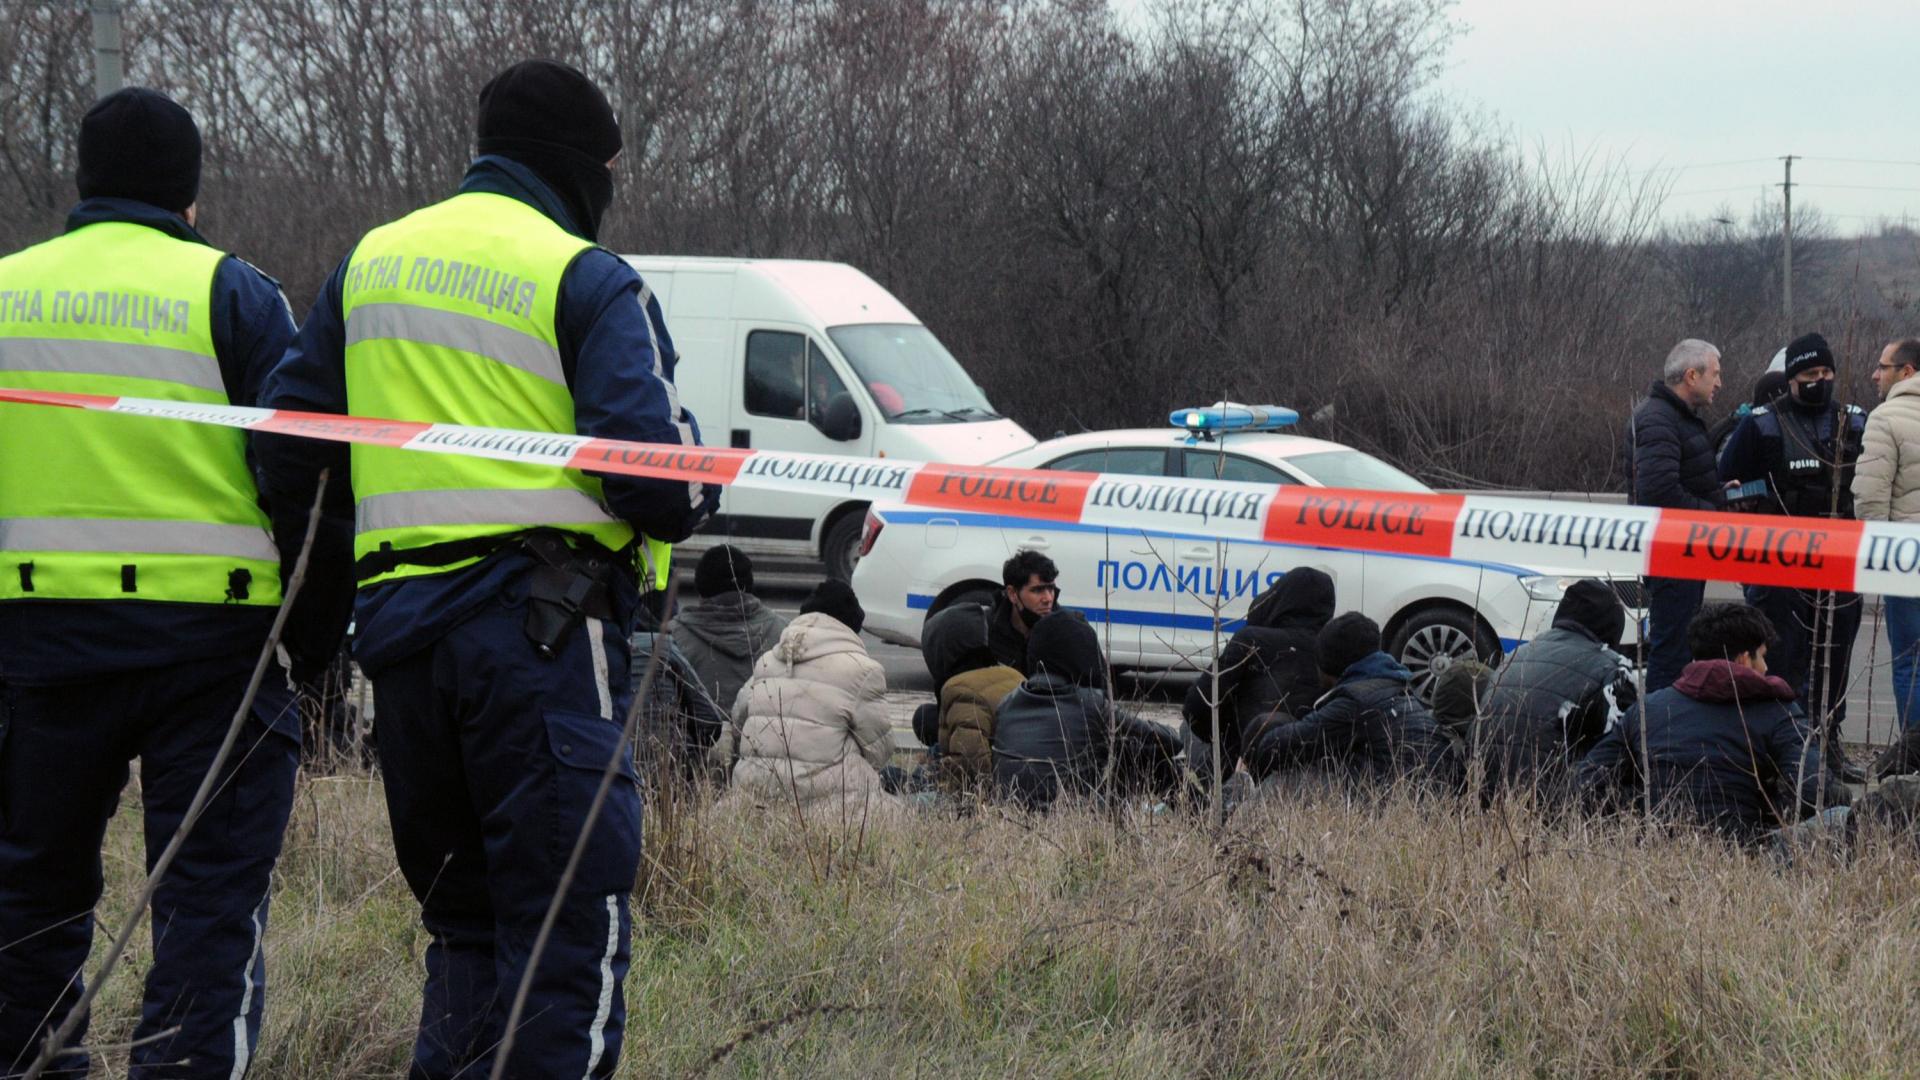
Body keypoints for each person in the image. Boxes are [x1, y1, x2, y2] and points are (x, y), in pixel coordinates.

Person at [255, 61, 718, 1079]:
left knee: (464, 934)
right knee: (565, 939)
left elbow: (286, 449)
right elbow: (651, 480)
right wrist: (704, 475)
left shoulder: (370, 264)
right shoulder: (587, 278)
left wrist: (336, 598)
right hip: (542, 646)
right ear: (581, 167)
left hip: (401, 650)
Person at [0, 88, 311, 1077]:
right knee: (206, 909)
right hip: (212, 651)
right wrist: (315, 642)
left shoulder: (7, 290)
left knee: (25, 903)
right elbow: (300, 471)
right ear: (190, 194)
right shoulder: (234, 294)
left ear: (81, 179)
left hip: (37, 645)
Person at [1719, 331, 1868, 781]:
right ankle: (1784, 748)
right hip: (1779, 565)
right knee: (1784, 659)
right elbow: (1725, 479)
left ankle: (1829, 744)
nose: (1819, 380)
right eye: (1810, 374)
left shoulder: (1853, 421)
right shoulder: (1761, 424)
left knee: (1836, 657)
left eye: (1826, 372)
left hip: (1840, 560)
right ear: (1791, 379)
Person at [1576, 602, 1842, 845]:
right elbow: (1816, 791)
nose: (1765, 668)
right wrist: (1769, 809)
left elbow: (1586, 781)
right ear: (1743, 659)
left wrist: (1639, 808)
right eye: (1761, 656)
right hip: (1747, 849)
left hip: (1657, 845)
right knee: (1843, 814)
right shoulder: (1777, 710)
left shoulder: (1649, 709)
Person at [710, 580, 899, 817]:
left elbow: (738, 722)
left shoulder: (767, 662)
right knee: (903, 811)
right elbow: (880, 751)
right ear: (851, 627)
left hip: (756, 800)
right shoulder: (863, 671)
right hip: (831, 808)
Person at [1240, 612, 1459, 792]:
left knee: (1283, 782)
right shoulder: (1397, 688)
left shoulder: (1354, 702)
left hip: (1399, 804)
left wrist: (1245, 765)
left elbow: (1277, 746)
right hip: (1433, 801)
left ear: (1328, 665)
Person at [992, 611, 1181, 810]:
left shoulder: (1007, 703)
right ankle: (1198, 816)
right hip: (1073, 815)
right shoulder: (1090, 704)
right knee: (1149, 753)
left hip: (1010, 812)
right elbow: (1168, 740)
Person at [1474, 580, 1637, 803]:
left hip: (1484, 797)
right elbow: (1628, 753)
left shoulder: (1517, 656)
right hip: (1555, 804)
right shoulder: (1612, 669)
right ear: (1613, 624)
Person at [1629, 338, 1726, 694]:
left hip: (1684, 553)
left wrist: (1720, 492)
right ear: (1691, 376)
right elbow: (1659, 492)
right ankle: (1662, 726)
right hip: (1671, 555)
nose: (1719, 383)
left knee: (1681, 651)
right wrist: (1712, 515)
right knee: (1671, 656)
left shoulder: (1678, 418)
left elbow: (1681, 479)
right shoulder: (1658, 418)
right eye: (1715, 374)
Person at [1181, 567, 1335, 786]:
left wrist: (1229, 744)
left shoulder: (1252, 639)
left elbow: (1197, 706)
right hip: (1312, 772)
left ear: (1280, 598)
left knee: (1186, 730)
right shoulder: (1334, 649)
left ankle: (1211, 789)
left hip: (1243, 766)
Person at [1852, 338, 1920, 735]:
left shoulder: (1885, 417)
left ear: (1907, 372)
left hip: (1905, 558)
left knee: (1911, 660)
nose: (1875, 374)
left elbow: (1870, 498)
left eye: (1883, 367)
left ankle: (1914, 757)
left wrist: (1878, 559)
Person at [918, 600, 1024, 794]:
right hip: (1022, 783)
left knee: (896, 782)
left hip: (995, 794)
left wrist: (936, 781)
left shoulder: (961, 689)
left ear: (941, 651)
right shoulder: (1013, 675)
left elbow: (970, 768)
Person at [670, 544, 789, 714]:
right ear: (749, 586)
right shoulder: (785, 633)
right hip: (768, 729)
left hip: (698, 730)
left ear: (700, 589)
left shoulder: (672, 638)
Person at [631, 592, 730, 786]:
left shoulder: (598, 651)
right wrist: (689, 756)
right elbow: (709, 721)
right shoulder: (663, 646)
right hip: (670, 774)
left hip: (613, 775)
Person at [989, 548, 1059, 672]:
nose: (1048, 599)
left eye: (1051, 589)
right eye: (1038, 590)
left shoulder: (1067, 632)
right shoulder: (986, 632)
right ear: (1012, 594)